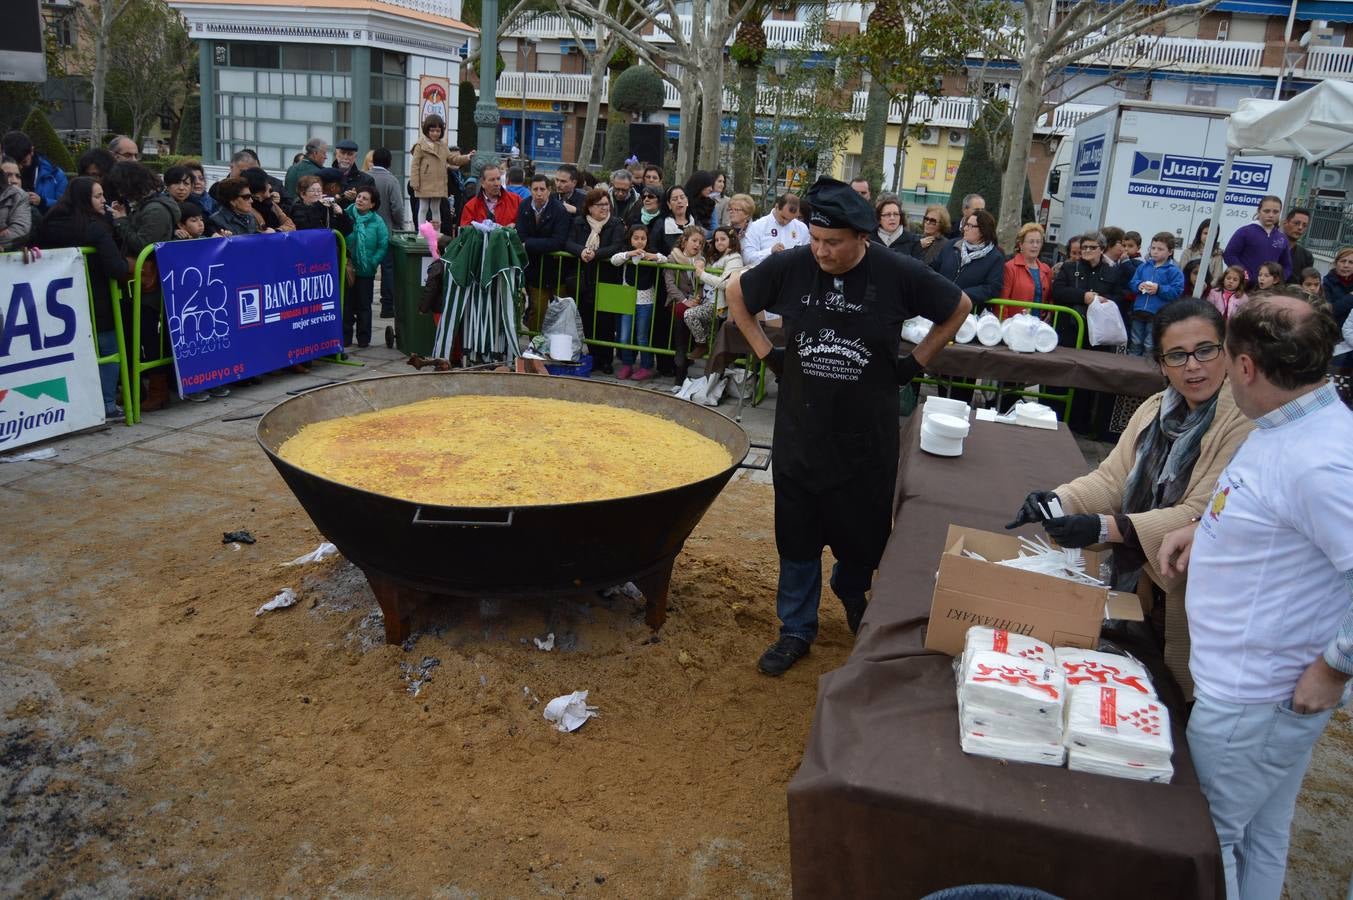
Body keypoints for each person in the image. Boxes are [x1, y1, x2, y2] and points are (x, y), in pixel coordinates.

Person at [725, 177, 971, 675]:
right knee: (795, 537)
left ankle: (852, 590)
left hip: (866, 438)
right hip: (801, 431)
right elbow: (736, 295)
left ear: (861, 236)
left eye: (832, 243)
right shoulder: (794, 265)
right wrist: (770, 355)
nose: (820, 251)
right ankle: (795, 628)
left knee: (863, 532)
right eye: (814, 239)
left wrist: (913, 364)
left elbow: (958, 307)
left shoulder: (898, 271)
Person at [1157, 293, 1353, 900]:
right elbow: (1272, 509)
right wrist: (1204, 529)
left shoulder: (1320, 460)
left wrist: (1335, 665)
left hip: (1255, 697)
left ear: (1244, 367)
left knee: (1210, 843)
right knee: (1259, 837)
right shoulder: (1289, 423)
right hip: (1255, 691)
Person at [1008, 298, 1252, 700]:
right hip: (1141, 588)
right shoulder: (1154, 410)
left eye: (1205, 350)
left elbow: (1200, 514)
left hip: (1197, 599)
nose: (1193, 366)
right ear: (1161, 363)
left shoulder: (1241, 420)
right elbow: (1112, 479)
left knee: (1181, 700)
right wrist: (1058, 501)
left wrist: (1106, 526)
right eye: (1177, 355)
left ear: (1225, 350)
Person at [34, 177, 130, 418]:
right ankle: (107, 403)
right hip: (98, 301)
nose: (104, 200)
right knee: (109, 350)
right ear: (84, 199)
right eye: (98, 196)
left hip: (57, 303)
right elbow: (117, 268)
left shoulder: (50, 222)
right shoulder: (94, 227)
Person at [564, 187, 624, 372]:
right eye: (600, 205)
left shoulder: (615, 224)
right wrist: (581, 251)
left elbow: (617, 246)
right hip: (584, 279)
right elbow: (568, 242)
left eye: (607, 204)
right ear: (589, 207)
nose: (604, 208)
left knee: (606, 322)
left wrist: (595, 254)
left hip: (608, 279)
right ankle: (593, 356)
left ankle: (606, 360)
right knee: (588, 319)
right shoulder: (579, 222)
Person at [609, 223, 665, 381]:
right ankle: (627, 364)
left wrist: (654, 257)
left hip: (645, 301)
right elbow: (614, 260)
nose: (640, 242)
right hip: (627, 298)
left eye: (643, 238)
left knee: (642, 336)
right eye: (636, 238)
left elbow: (665, 258)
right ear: (630, 239)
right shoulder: (626, 252)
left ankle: (646, 366)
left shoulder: (651, 252)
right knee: (624, 336)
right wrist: (629, 253)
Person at [1051, 230, 1125, 348]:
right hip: (1070, 331)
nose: (1087, 250)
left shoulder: (1112, 271)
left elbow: (1120, 297)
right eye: (1084, 247)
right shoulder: (1069, 267)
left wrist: (1102, 300)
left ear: (1102, 249)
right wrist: (1084, 296)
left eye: (1092, 247)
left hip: (1099, 333)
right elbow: (1057, 291)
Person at [516, 173, 570, 330]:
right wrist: (536, 244)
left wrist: (529, 244)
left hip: (557, 270)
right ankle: (535, 346)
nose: (539, 193)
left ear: (549, 190)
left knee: (560, 312)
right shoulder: (524, 206)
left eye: (542, 189)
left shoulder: (559, 210)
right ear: (529, 189)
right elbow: (521, 235)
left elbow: (558, 241)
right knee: (537, 311)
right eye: (535, 189)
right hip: (534, 270)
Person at [931, 208, 1003, 315]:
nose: (965, 228)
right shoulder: (952, 245)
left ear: (983, 230)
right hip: (939, 305)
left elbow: (992, 288)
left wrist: (961, 295)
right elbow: (934, 268)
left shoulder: (995, 257)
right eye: (966, 224)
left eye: (970, 226)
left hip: (968, 313)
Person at [344, 186, 390, 349]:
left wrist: (372, 261)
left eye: (364, 198)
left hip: (366, 271)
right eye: (358, 197)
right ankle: (345, 337)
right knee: (347, 305)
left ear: (372, 204)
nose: (359, 200)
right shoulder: (347, 215)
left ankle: (363, 338)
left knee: (364, 306)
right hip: (348, 268)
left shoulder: (377, 222)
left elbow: (383, 245)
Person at [1127, 231, 1185, 357]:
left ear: (1170, 252)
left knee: (1150, 344)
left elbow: (1177, 291)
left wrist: (1159, 289)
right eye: (1153, 248)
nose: (1155, 251)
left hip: (1157, 314)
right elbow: (1132, 283)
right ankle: (1130, 368)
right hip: (1139, 310)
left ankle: (1147, 370)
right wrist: (1138, 285)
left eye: (1160, 249)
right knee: (1135, 341)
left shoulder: (1174, 271)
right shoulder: (1143, 266)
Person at [367, 148, 406, 318]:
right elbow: (397, 208)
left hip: (367, 232)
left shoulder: (365, 178)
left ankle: (364, 305)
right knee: (388, 269)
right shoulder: (391, 181)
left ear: (373, 160)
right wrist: (399, 225)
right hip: (387, 231)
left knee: (367, 269)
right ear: (389, 162)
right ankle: (387, 307)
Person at [1224, 195, 1292, 286]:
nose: (1271, 215)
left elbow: (1287, 266)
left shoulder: (1282, 238)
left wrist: (1278, 280)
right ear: (1259, 211)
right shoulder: (1245, 232)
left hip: (1268, 291)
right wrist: (1245, 275)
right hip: (1243, 288)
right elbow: (1229, 254)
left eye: (1275, 212)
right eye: (1266, 211)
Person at [1, 130, 66, 215]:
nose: (20, 167)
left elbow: (66, 206)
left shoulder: (55, 174)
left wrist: (43, 202)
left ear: (32, 151)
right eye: (16, 162)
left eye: (24, 162)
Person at [696, 225, 744, 339]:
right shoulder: (714, 256)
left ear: (731, 240)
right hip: (706, 300)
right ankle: (703, 344)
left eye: (723, 239)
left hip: (720, 306)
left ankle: (701, 344)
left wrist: (702, 274)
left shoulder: (734, 258)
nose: (719, 242)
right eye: (716, 240)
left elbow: (726, 283)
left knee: (690, 315)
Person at [1001, 222, 1053, 320]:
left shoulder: (1046, 270)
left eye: (1038, 242)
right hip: (1014, 325)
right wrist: (1005, 326)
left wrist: (1049, 313)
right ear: (1021, 244)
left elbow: (1050, 299)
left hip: (1038, 326)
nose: (1035, 245)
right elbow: (1002, 302)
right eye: (1031, 242)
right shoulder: (1010, 267)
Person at [741, 193, 808, 266]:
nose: (786, 222)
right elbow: (747, 258)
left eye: (790, 220)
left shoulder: (802, 228)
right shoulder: (757, 226)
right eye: (783, 217)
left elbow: (808, 257)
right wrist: (770, 251)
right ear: (776, 207)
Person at [243, 168, 294, 233]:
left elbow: (290, 225)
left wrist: (277, 231)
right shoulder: (248, 209)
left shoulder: (270, 203)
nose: (270, 186)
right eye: (267, 185)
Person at [1181, 217, 1225, 289]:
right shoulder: (1188, 252)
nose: (1208, 237)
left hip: (1207, 291)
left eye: (1212, 234)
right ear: (1199, 233)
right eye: (1205, 233)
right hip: (1188, 289)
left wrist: (1206, 287)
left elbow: (1217, 278)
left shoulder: (1217, 255)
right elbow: (1182, 273)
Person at [0, 155, 32, 250]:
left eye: (18, 176)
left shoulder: (23, 199)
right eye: (8, 175)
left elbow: (19, 230)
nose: (14, 180)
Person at [331, 139, 374, 205]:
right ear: (336, 155)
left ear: (355, 157)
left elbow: (373, 204)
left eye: (350, 154)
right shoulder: (326, 176)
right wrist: (334, 199)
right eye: (342, 153)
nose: (345, 157)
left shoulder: (366, 180)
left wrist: (357, 198)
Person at [1281, 207, 1313, 283]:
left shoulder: (1307, 256)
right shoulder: (1271, 247)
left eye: (1304, 225)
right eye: (1296, 223)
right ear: (1285, 223)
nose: (1300, 228)